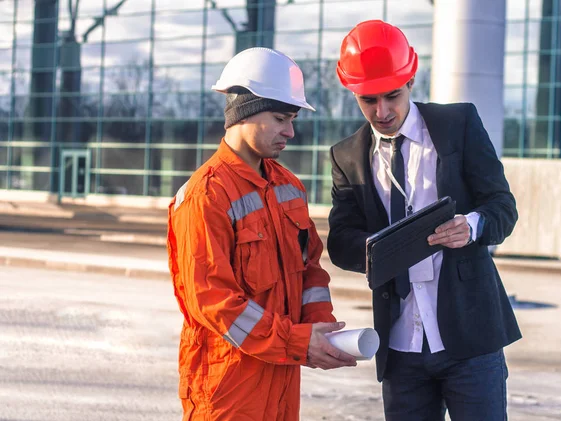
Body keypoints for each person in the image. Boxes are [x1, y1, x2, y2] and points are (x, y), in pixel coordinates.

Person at [327, 20, 521, 420]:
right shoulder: (346, 155)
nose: (381, 111)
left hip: (470, 337)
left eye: (392, 96)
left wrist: (473, 225)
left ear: (411, 78)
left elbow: (502, 206)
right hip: (400, 347)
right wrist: (380, 251)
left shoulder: (458, 125)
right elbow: (341, 241)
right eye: (368, 100)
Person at [167, 47, 356, 421]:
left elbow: (310, 270)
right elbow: (216, 302)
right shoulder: (206, 195)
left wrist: (321, 327)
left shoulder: (289, 186)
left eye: (292, 120)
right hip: (228, 387)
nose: (291, 131)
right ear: (245, 112)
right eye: (281, 118)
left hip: (282, 373)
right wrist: (299, 341)